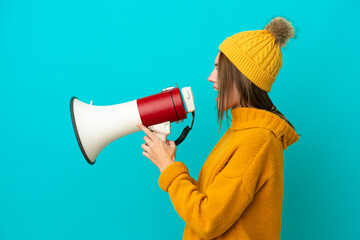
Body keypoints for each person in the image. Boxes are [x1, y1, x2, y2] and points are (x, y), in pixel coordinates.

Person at [137, 16, 300, 240]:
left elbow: (208, 220)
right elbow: (215, 204)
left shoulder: (257, 141)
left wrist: (169, 169)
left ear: (243, 76)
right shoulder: (242, 132)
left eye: (218, 68)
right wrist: (170, 165)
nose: (211, 77)